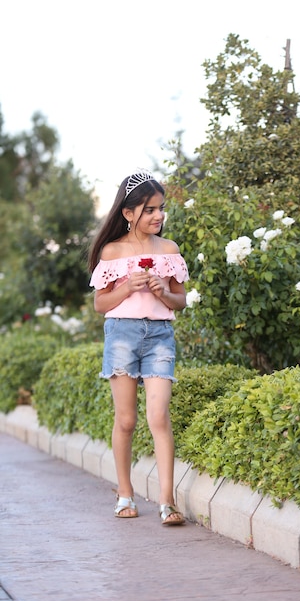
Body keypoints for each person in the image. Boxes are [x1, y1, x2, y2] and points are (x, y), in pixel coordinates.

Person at [88, 167, 188, 525]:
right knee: (127, 420)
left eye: (160, 208)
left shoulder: (169, 250)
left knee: (158, 416)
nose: (158, 216)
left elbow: (181, 301)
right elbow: (101, 303)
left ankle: (167, 501)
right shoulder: (113, 252)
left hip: (160, 335)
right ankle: (125, 493)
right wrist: (127, 288)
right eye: (149, 210)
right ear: (128, 213)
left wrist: (164, 290)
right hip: (122, 335)